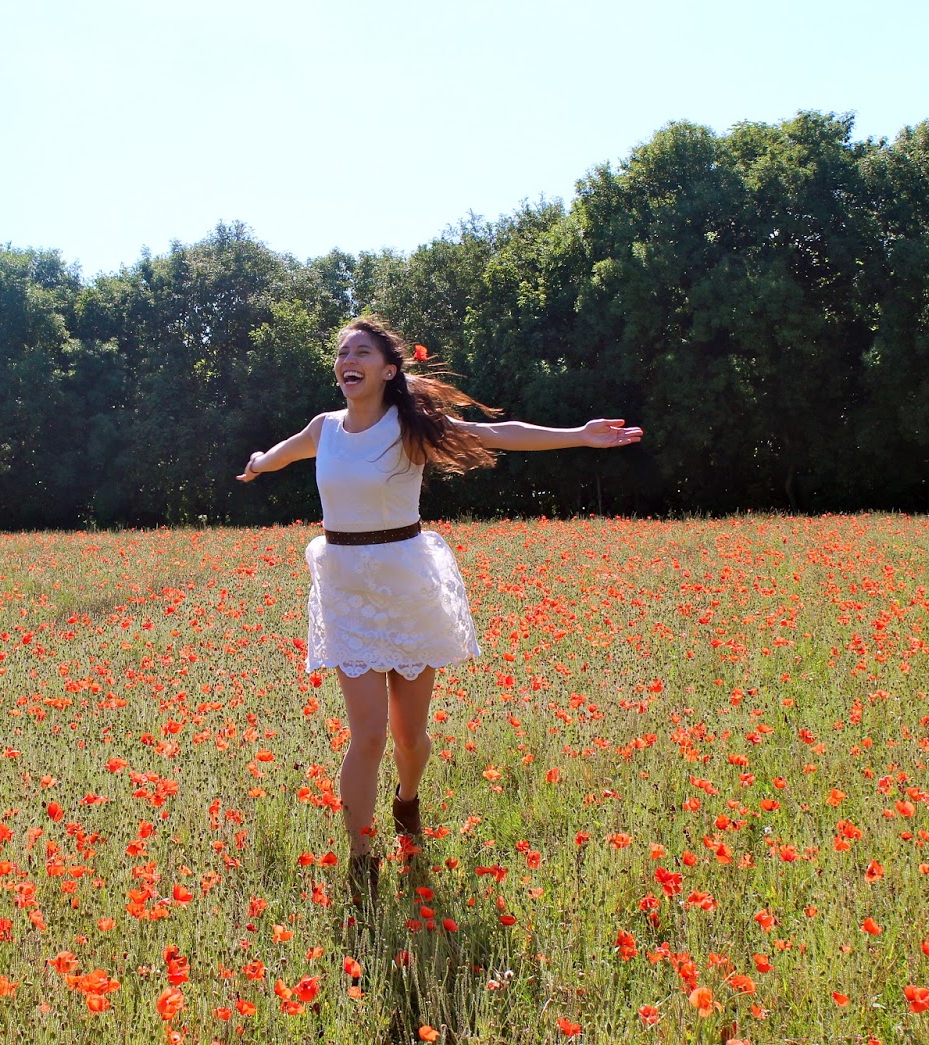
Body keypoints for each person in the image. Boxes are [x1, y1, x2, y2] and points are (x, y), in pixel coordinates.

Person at [236, 316, 641, 907]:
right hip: (346, 591)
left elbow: (497, 434)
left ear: (388, 370)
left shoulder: (410, 428)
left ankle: (407, 798)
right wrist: (257, 461)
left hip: (407, 586)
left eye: (362, 352)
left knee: (409, 737)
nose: (348, 360)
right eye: (343, 352)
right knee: (367, 735)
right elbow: (281, 454)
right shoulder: (324, 429)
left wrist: (579, 435)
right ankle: (361, 860)